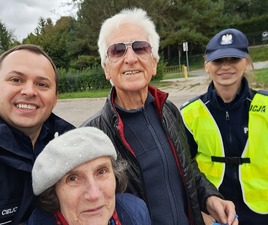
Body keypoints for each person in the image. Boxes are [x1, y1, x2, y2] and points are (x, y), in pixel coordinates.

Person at [82, 8, 238, 225]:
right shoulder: (91, 136)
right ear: (106, 68)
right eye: (117, 50)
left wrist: (209, 197)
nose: (131, 58)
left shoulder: (168, 111)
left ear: (153, 63)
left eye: (140, 48)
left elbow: (189, 165)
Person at [0, 44, 75, 225]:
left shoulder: (70, 144)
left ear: (55, 98)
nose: (29, 91)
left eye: (42, 84)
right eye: (16, 80)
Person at [181, 28, 268, 225]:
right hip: (213, 212)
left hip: (262, 212)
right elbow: (185, 167)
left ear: (245, 62)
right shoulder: (189, 113)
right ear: (206, 66)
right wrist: (203, 209)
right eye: (218, 61)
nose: (225, 67)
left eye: (233, 59)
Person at [27, 126, 151, 225]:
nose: (94, 195)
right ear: (53, 193)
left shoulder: (136, 211)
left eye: (101, 171)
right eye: (73, 179)